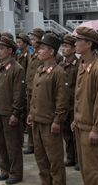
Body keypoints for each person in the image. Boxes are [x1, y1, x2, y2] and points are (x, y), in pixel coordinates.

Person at [26, 33, 68, 185]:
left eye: (43, 48)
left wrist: (57, 121)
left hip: (50, 123)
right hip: (37, 120)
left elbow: (62, 101)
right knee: (41, 158)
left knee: (54, 160)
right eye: (39, 48)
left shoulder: (58, 72)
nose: (39, 51)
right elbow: (35, 95)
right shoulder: (39, 70)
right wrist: (31, 112)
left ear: (52, 52)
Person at [72, 26, 98, 185]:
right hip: (81, 126)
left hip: (92, 129)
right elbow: (80, 98)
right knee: (86, 169)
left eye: (78, 41)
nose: (75, 44)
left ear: (88, 44)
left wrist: (96, 128)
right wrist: (76, 119)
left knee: (95, 171)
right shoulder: (82, 66)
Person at [0, 36, 25, 185]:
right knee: (0, 143)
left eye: (1, 48)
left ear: (10, 50)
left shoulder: (17, 69)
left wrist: (16, 113)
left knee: (12, 145)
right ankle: (5, 170)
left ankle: (15, 173)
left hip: (9, 112)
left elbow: (18, 94)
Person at [24, 28, 45, 155]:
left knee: (38, 119)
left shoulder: (42, 55)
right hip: (30, 90)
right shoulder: (32, 54)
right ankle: (31, 143)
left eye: (34, 39)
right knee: (30, 118)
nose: (32, 41)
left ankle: (37, 144)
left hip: (39, 91)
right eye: (31, 39)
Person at [59, 34, 79, 168]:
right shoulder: (60, 65)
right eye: (63, 46)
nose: (63, 49)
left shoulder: (79, 65)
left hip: (75, 104)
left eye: (66, 46)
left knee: (76, 134)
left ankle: (78, 159)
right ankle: (70, 156)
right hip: (64, 104)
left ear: (73, 49)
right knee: (66, 133)